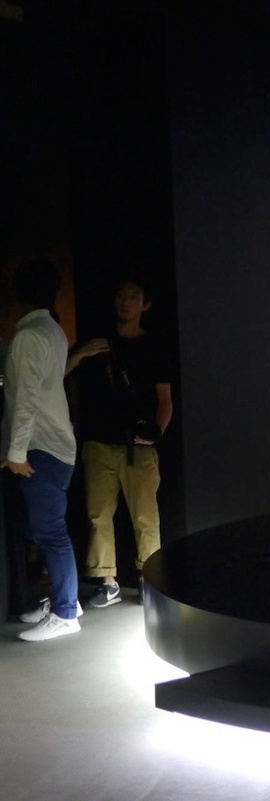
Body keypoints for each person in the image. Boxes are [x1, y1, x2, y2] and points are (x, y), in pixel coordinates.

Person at [67, 278, 171, 608]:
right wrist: (82, 352)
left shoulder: (154, 346)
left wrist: (157, 432)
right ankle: (107, 580)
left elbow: (164, 398)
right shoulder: (99, 343)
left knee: (145, 516)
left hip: (137, 445)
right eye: (120, 295)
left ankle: (149, 579)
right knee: (98, 514)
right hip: (98, 441)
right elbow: (60, 372)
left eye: (133, 296)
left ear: (146, 304)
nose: (124, 302)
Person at [3, 259, 80, 641]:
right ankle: (67, 602)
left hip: (42, 446)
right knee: (48, 527)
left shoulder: (31, 335)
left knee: (49, 530)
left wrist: (15, 453)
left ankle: (66, 612)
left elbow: (25, 400)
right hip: (54, 443)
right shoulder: (51, 330)